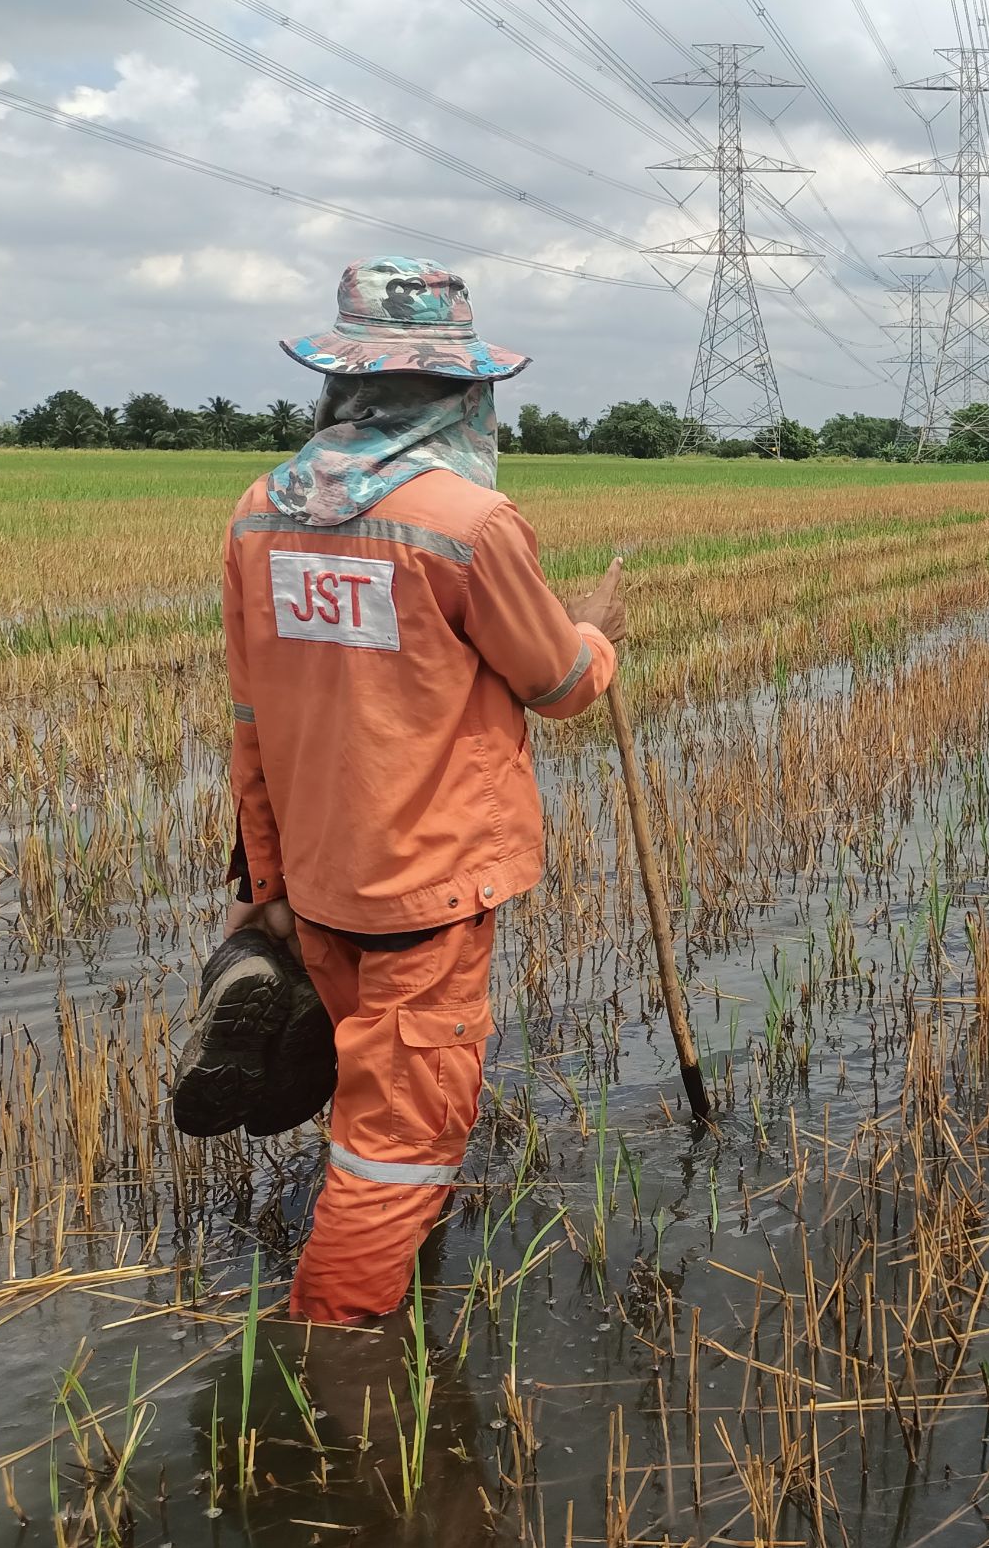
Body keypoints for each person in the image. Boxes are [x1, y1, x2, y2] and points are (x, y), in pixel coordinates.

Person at [185, 255, 627, 1323]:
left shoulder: (259, 514)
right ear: (462, 393)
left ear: (341, 385)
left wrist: (269, 882)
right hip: (426, 890)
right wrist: (598, 635)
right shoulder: (466, 523)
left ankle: (387, 1251)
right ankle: (329, 1383)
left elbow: (250, 717)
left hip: (324, 881)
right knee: (402, 1143)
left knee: (371, 1092)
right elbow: (557, 685)